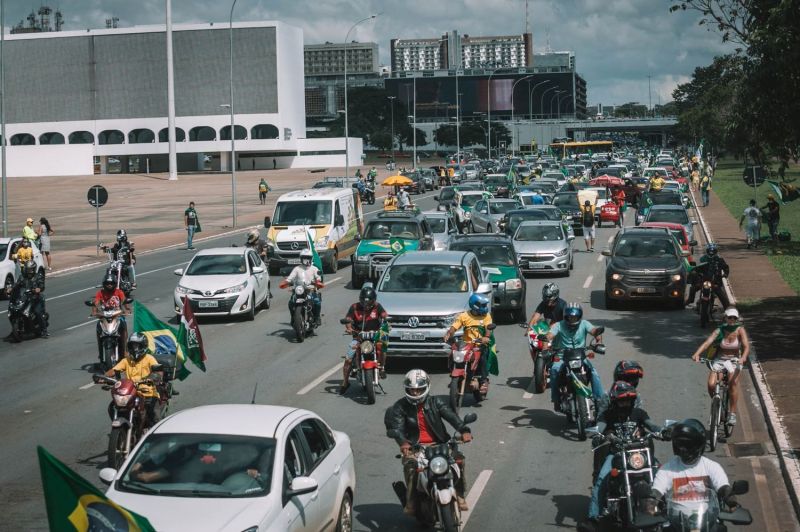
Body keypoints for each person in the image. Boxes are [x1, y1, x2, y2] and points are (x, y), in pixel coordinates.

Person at [579, 381, 667, 532]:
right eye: (622, 400)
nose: (625, 403)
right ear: (615, 402)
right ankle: (593, 519)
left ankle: (670, 512)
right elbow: (599, 428)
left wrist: (664, 431)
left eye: (628, 400)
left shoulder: (639, 413)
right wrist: (596, 434)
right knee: (601, 479)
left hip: (640, 455)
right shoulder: (607, 415)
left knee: (662, 475)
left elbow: (652, 426)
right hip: (616, 455)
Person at [384, 369, 473, 514]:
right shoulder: (400, 406)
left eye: (419, 390)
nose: (415, 393)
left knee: (459, 460)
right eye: (412, 390)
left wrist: (464, 430)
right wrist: (403, 443)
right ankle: (411, 501)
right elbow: (397, 429)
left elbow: (452, 417)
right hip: (415, 447)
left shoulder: (435, 401)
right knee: (411, 467)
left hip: (441, 444)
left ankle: (460, 494)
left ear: (426, 388)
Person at [643, 419, 738, 517]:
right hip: (676, 525)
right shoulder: (666, 469)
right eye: (680, 444)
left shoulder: (712, 467)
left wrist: (732, 502)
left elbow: (723, 487)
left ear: (698, 445)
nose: (683, 448)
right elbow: (657, 491)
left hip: (709, 523)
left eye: (688, 445)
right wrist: (651, 504)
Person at [691, 308, 749, 425]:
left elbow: (746, 346)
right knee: (711, 384)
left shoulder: (740, 330)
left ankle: (732, 414)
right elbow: (708, 342)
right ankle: (718, 407)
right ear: (725, 318)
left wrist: (743, 357)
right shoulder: (720, 330)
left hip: (733, 361)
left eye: (734, 318)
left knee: (733, 383)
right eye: (730, 317)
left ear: (737, 319)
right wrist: (697, 353)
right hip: (719, 360)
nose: (732, 320)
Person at [546, 302, 604, 408]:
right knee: (554, 370)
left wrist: (598, 340)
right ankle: (556, 399)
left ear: (579, 316)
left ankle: (600, 400)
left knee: (594, 373)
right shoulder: (558, 325)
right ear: (565, 317)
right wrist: (546, 341)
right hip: (562, 357)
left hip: (580, 356)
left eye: (575, 317)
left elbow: (595, 331)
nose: (572, 319)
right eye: (570, 317)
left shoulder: (585, 324)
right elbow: (550, 335)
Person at [105, 332, 162, 428]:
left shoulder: (149, 358)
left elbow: (159, 371)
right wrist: (104, 377)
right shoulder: (126, 360)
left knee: (155, 417)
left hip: (148, 393)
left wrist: (154, 377)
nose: (135, 349)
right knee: (112, 406)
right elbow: (114, 370)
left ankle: (158, 437)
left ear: (143, 346)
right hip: (131, 393)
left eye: (137, 346)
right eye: (132, 346)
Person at [340, 285, 389, 394]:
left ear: (374, 300)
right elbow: (348, 319)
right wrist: (349, 327)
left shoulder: (377, 307)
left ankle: (382, 368)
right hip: (359, 338)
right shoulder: (354, 307)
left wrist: (386, 319)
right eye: (363, 301)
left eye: (369, 302)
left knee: (383, 347)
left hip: (375, 337)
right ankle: (345, 382)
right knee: (348, 358)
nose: (366, 305)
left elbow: (384, 314)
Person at [443, 294, 493, 394]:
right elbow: (454, 326)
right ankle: (454, 374)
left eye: (485, 305)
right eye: (482, 305)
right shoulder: (464, 316)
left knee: (482, 357)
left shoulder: (486, 316)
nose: (484, 308)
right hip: (466, 345)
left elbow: (488, 328)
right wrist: (449, 334)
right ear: (474, 305)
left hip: (479, 345)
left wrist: (486, 337)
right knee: (453, 354)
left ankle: (483, 381)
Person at [279, 249, 323, 326]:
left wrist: (317, 282)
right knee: (291, 303)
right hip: (299, 290)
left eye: (308, 258)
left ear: (311, 258)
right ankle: (293, 317)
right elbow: (290, 278)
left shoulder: (314, 268)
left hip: (310, 290)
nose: (306, 260)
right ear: (301, 258)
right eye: (304, 258)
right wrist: (286, 282)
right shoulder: (297, 268)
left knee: (317, 302)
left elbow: (318, 278)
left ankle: (317, 317)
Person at [6, 260, 48, 337]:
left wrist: (38, 289)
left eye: (30, 269)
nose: (28, 271)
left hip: (35, 298)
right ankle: (14, 329)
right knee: (14, 309)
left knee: (37, 312)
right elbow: (17, 284)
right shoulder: (22, 277)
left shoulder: (38, 276)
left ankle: (44, 330)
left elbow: (42, 285)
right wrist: (11, 288)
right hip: (24, 297)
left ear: (33, 269)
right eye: (27, 269)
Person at [93, 274, 129, 362]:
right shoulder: (100, 293)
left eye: (111, 283)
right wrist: (94, 311)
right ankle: (101, 353)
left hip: (117, 315)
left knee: (123, 324)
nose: (109, 285)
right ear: (104, 284)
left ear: (114, 284)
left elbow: (124, 301)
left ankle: (124, 350)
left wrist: (127, 310)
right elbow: (96, 303)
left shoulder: (119, 292)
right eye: (107, 283)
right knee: (98, 326)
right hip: (104, 316)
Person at [686, 243, 730, 309]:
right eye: (709, 251)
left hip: (715, 282)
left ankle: (728, 311)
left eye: (713, 251)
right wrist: (694, 272)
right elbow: (698, 268)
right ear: (707, 251)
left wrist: (725, 274)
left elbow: (726, 267)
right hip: (704, 281)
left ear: (716, 251)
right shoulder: (703, 259)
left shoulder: (719, 260)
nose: (711, 253)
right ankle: (690, 300)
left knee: (722, 297)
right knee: (693, 288)